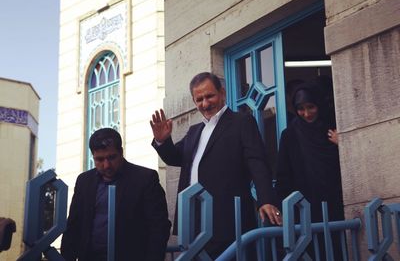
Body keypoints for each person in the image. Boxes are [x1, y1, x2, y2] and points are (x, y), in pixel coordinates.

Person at [150, 72, 281, 259]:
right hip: (193, 219)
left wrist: (266, 198)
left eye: (210, 96)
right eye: (199, 99)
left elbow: (257, 162)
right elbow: (176, 158)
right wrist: (162, 141)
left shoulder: (241, 122)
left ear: (222, 93)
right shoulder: (195, 131)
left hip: (227, 218)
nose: (205, 103)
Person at [61, 128, 171, 261]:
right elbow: (73, 225)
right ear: (93, 156)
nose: (106, 165)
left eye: (111, 157)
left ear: (121, 152)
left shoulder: (145, 179)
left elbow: (159, 227)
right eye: (99, 159)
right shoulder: (84, 181)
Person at [275, 83, 344, 259]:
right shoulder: (289, 135)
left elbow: (347, 167)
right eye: (300, 109)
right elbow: (283, 175)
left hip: (335, 206)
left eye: (311, 107)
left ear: (319, 104)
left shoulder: (331, 130)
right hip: (305, 209)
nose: (307, 113)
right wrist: (282, 209)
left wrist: (342, 145)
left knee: (337, 249)